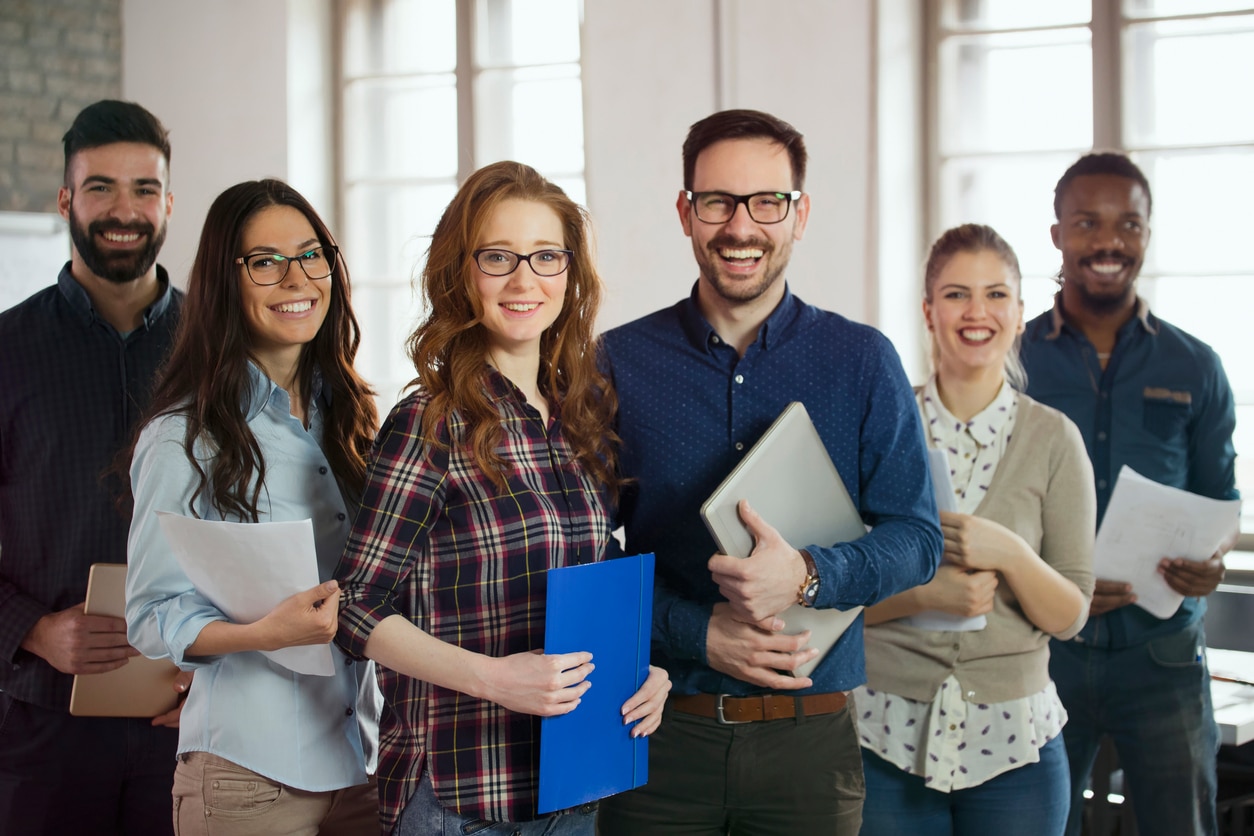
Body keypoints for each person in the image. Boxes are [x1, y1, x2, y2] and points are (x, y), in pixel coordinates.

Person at [595, 109, 943, 835]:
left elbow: (917, 538)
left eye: (767, 202)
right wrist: (699, 633)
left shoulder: (863, 360)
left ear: (799, 214)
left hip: (809, 746)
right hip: (656, 732)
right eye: (718, 201)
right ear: (686, 212)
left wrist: (809, 577)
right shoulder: (615, 363)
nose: (741, 227)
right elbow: (584, 554)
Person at [335, 160, 670, 836]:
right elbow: (353, 610)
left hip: (574, 784)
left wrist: (646, 671)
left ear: (571, 273)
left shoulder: (583, 416)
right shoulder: (430, 422)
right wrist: (493, 678)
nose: (525, 280)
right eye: (498, 257)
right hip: (462, 799)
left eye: (546, 256)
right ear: (461, 272)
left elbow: (595, 577)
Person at [124, 178, 381, 834]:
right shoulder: (183, 438)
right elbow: (152, 616)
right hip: (248, 778)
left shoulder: (352, 418)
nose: (296, 279)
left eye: (310, 254)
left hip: (365, 768)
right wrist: (261, 635)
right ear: (225, 283)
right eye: (265, 262)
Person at [1021, 152, 1239, 836]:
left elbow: (1219, 499)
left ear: (1146, 234)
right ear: (1057, 233)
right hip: (1039, 654)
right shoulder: (1011, 361)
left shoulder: (1195, 365)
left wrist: (1214, 560)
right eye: (1088, 222)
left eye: (1129, 224)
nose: (1109, 241)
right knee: (1031, 825)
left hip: (1163, 658)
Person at [853, 224, 1095, 835]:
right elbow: (832, 597)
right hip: (884, 737)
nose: (977, 311)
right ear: (930, 311)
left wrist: (1012, 554)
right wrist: (922, 596)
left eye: (996, 295)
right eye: (957, 294)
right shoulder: (880, 426)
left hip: (1017, 747)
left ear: (1019, 314)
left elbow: (1070, 614)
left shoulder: (1054, 439)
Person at [0, 100, 185, 835]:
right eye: (100, 187)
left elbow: (260, 527)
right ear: (66, 200)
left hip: (189, 718)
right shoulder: (7, 352)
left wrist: (227, 666)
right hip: (41, 728)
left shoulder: (218, 354)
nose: (123, 209)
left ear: (169, 203)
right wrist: (33, 629)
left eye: (144, 189)